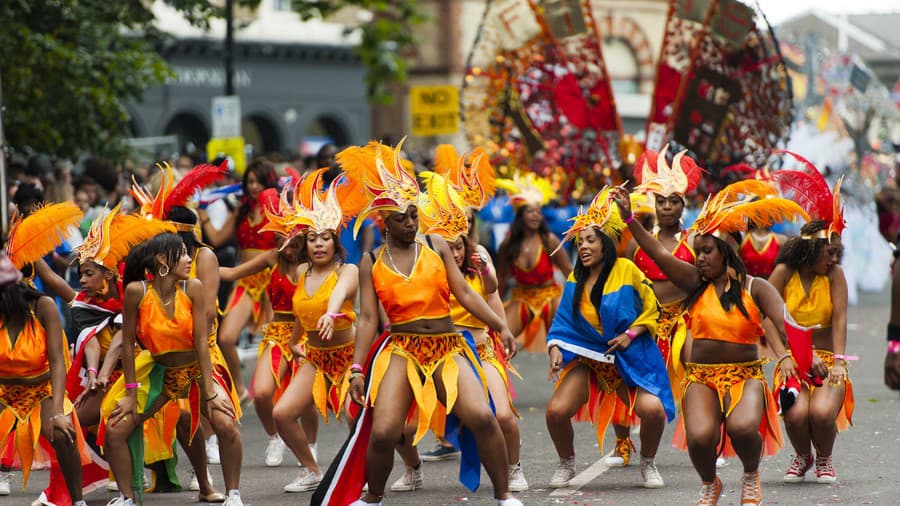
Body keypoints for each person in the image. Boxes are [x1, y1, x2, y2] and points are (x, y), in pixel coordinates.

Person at [316, 140, 522, 506]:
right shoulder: (371, 261)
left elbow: (466, 294)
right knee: (383, 433)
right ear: (384, 222)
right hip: (403, 350)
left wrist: (500, 325)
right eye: (401, 218)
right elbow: (366, 320)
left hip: (447, 347)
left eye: (413, 214)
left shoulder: (437, 245)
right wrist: (358, 369)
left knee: (483, 417)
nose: (411, 223)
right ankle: (373, 498)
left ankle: (504, 495)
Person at [611, 180, 807, 506]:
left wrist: (800, 355)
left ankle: (749, 475)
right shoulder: (693, 283)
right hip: (700, 377)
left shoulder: (755, 287)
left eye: (706, 252)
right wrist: (631, 220)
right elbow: (658, 253)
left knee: (743, 428)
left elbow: (788, 322)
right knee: (700, 439)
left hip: (745, 375)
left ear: (725, 253)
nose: (698, 258)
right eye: (697, 251)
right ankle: (709, 483)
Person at [401, 161, 528, 492]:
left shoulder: (478, 255)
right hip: (436, 351)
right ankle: (413, 468)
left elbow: (491, 287)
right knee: (402, 425)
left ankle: (513, 467)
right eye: (448, 245)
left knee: (501, 416)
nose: (454, 252)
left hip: (480, 348)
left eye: (458, 244)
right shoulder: (427, 262)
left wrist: (484, 272)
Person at [99, 233, 244, 506]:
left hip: (198, 369)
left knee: (226, 424)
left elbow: (202, 342)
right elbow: (128, 346)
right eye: (183, 254)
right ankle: (126, 497)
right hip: (160, 372)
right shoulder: (136, 292)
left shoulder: (193, 288)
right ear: (163, 259)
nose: (190, 259)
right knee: (115, 430)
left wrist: (211, 393)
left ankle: (233, 494)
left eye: (189, 254)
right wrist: (131, 393)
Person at [543, 188, 674, 490]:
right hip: (591, 362)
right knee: (555, 412)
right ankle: (566, 463)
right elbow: (562, 324)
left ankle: (648, 462)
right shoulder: (575, 279)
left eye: (591, 240)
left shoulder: (627, 270)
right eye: (581, 241)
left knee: (652, 411)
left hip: (630, 359)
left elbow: (653, 308)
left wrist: (631, 333)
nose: (584, 246)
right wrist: (554, 348)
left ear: (606, 243)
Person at [263, 170, 363, 492]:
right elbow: (299, 314)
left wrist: (332, 314)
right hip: (317, 359)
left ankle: (408, 465)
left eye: (325, 237)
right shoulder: (302, 271)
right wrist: (294, 344)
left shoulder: (348, 270)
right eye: (312, 238)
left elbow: (339, 295)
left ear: (335, 241)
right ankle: (312, 471)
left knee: (357, 418)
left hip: (349, 357)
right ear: (304, 244)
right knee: (282, 413)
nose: (319, 244)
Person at [612, 146, 702, 468]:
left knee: (698, 372)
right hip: (646, 323)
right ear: (654, 204)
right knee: (624, 378)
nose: (666, 206)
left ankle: (703, 435)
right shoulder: (636, 244)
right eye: (661, 201)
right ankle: (622, 443)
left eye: (673, 201)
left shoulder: (694, 242)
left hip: (683, 321)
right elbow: (623, 286)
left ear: (683, 205)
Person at [0, 206, 90, 505]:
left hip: (42, 391)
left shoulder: (44, 307)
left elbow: (57, 362)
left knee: (64, 432)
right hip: (3, 392)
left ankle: (77, 501)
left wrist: (58, 411)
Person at [768, 172, 853, 484]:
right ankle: (803, 455)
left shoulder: (834, 276)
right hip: (792, 359)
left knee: (819, 414)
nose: (834, 258)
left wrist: (840, 362)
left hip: (829, 359)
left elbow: (841, 318)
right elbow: (766, 317)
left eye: (836, 253)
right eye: (829, 252)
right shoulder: (783, 272)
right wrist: (783, 357)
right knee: (796, 415)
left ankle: (825, 458)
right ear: (811, 250)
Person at [198, 157, 280, 401]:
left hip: (273, 282)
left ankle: (278, 390)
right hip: (245, 281)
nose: (254, 186)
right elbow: (215, 238)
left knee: (277, 341)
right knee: (226, 338)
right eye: (250, 182)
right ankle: (240, 389)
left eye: (259, 181)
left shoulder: (278, 212)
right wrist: (202, 216)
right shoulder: (240, 212)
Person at [496, 173, 573, 352]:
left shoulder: (549, 240)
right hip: (522, 297)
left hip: (550, 295)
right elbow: (501, 278)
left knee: (563, 345)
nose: (536, 216)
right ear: (520, 215)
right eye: (531, 211)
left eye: (538, 212)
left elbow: (568, 270)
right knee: (501, 346)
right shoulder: (507, 246)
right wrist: (494, 309)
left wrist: (581, 299)